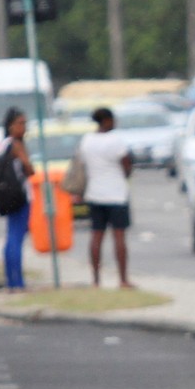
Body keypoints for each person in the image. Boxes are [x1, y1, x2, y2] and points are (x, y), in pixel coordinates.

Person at [80, 107, 134, 288]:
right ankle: (123, 279)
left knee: (96, 236)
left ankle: (95, 279)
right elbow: (127, 167)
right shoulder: (116, 141)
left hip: (94, 194)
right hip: (116, 194)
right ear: (107, 121)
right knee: (119, 237)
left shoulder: (87, 141)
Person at [1, 107, 34, 291]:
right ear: (10, 126)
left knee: (11, 236)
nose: (24, 128)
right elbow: (29, 169)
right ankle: (17, 281)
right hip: (19, 196)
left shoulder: (3, 144)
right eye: (20, 124)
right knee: (16, 238)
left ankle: (11, 279)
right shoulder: (15, 144)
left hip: (8, 195)